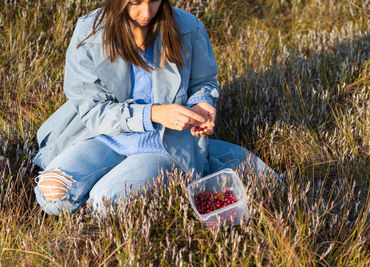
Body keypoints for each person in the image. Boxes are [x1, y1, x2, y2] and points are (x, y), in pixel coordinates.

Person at [33, 0, 275, 217]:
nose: (146, 12)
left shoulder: (188, 28)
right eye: (135, 2)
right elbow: (92, 109)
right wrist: (154, 114)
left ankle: (168, 172)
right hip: (103, 138)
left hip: (162, 145)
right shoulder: (90, 32)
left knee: (104, 204)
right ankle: (193, 169)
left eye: (155, 1)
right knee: (53, 195)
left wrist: (201, 104)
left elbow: (203, 82)